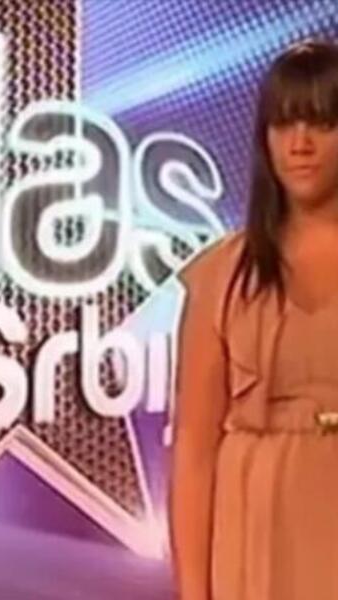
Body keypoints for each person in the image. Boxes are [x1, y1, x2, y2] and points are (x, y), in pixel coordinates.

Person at [169, 40, 338, 600]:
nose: (300, 144)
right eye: (283, 124)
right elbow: (194, 452)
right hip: (253, 538)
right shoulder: (223, 274)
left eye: (322, 123)